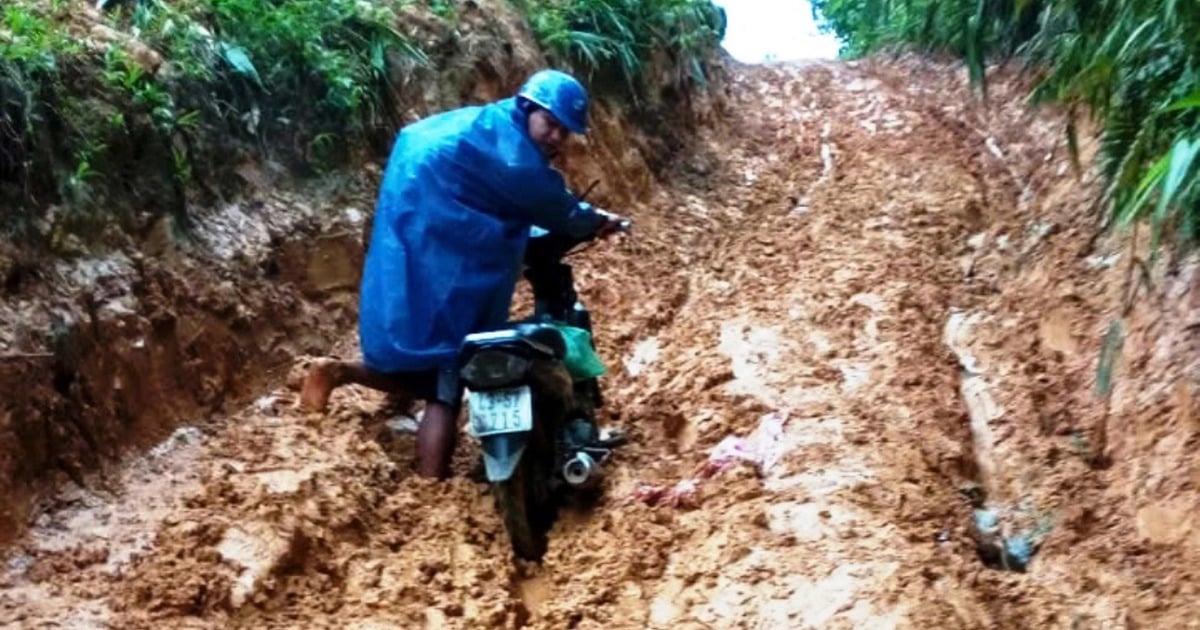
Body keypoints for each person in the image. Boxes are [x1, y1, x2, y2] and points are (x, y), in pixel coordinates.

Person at [299, 69, 625, 480]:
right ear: (528, 107)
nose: (557, 137)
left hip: (420, 212)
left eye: (566, 131)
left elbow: (493, 194)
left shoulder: (491, 124)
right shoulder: (515, 156)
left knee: (422, 343)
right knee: (449, 372)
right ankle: (431, 483)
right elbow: (555, 206)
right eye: (551, 124)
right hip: (441, 223)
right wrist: (595, 220)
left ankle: (343, 372)